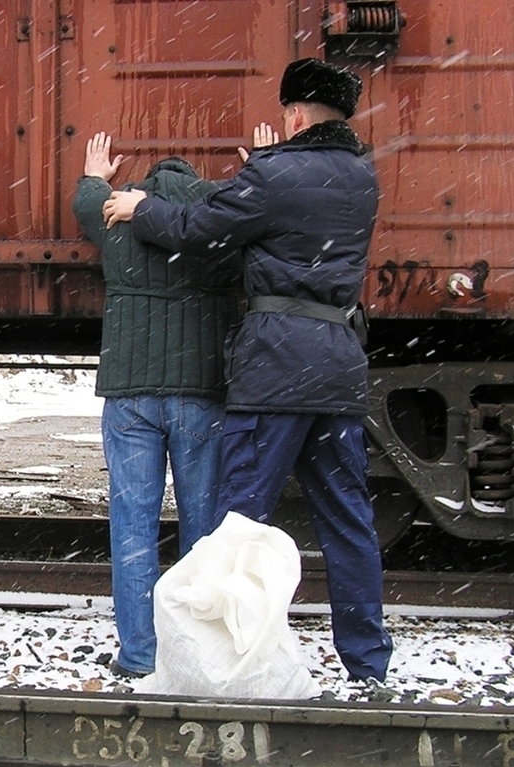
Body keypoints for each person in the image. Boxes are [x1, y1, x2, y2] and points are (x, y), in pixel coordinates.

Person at [101, 58, 393, 682]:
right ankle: (368, 663)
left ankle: (232, 658)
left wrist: (137, 207)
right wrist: (262, 170)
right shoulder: (363, 178)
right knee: (347, 519)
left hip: (277, 370)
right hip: (339, 368)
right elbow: (288, 213)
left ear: (293, 114)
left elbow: (199, 228)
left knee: (237, 526)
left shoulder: (277, 175)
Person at [73, 134, 241, 678]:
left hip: (129, 394)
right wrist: (257, 170)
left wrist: (95, 174)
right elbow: (261, 214)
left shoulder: (116, 214)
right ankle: (193, 650)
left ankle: (140, 654)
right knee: (203, 528)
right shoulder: (217, 217)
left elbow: (84, 206)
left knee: (133, 526)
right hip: (200, 393)